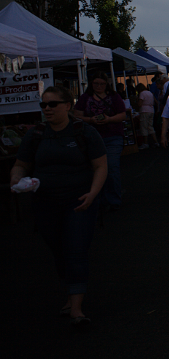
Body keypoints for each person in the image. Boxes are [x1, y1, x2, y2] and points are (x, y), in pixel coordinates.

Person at [10, 86, 108, 327]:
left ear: (67, 105)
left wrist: (92, 194)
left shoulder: (85, 132)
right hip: (45, 203)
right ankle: (71, 292)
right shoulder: (35, 135)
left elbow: (100, 167)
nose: (47, 109)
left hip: (78, 202)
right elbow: (21, 164)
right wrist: (17, 178)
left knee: (75, 250)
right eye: (43, 105)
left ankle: (76, 307)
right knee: (59, 251)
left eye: (52, 104)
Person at [73, 71, 127, 209]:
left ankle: (113, 200)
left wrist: (109, 119)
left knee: (111, 168)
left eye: (102, 84)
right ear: (92, 84)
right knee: (94, 170)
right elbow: (76, 116)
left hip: (112, 136)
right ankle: (97, 198)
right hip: (91, 138)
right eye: (96, 83)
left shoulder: (114, 97)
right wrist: (90, 120)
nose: (99, 86)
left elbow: (122, 115)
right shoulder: (85, 98)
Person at [135, 83, 158, 149]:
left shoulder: (142, 94)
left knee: (144, 127)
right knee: (150, 127)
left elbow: (139, 104)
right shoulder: (150, 93)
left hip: (144, 111)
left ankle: (145, 143)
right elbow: (155, 102)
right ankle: (156, 141)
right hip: (151, 110)